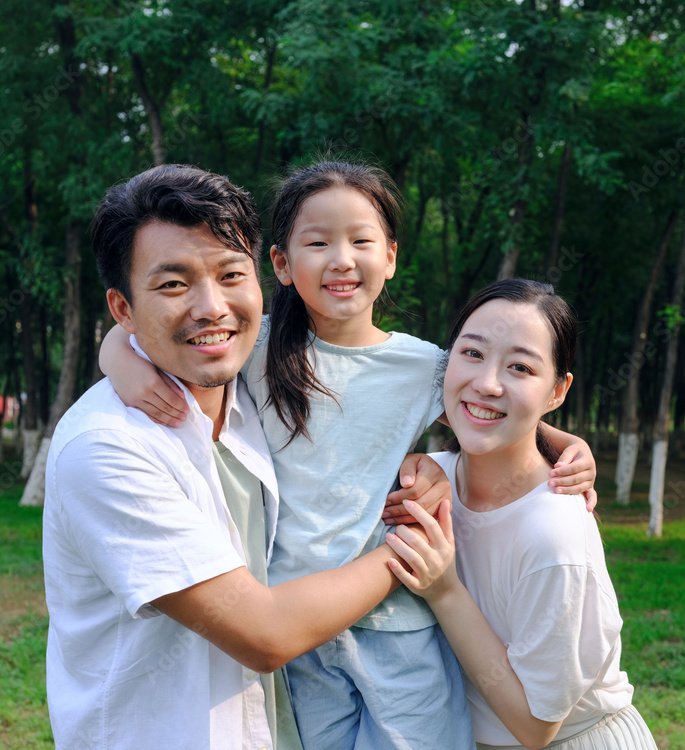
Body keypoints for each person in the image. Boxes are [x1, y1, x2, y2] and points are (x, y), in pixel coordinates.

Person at [100, 161, 599, 750]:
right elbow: (130, 331)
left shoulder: (424, 366)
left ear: (389, 256)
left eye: (361, 241)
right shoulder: (252, 348)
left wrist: (565, 442)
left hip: (400, 625)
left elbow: (492, 408)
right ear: (281, 265)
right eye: (317, 242)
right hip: (297, 626)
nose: (341, 259)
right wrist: (123, 365)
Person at [43, 163, 453, 750]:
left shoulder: (246, 391)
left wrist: (448, 465)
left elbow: (492, 409)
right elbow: (265, 634)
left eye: (230, 274)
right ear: (122, 307)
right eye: (172, 284)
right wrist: (411, 550)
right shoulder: (108, 446)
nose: (211, 307)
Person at [386, 279, 658, 750]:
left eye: (519, 367)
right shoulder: (434, 479)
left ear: (558, 391)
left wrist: (444, 591)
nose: (488, 382)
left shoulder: (553, 534)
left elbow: (537, 726)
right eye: (472, 353)